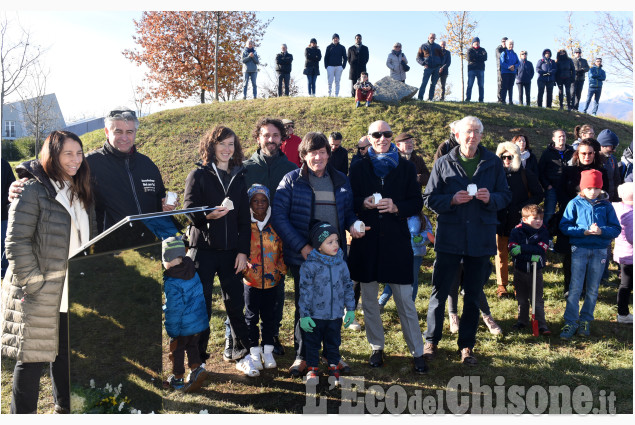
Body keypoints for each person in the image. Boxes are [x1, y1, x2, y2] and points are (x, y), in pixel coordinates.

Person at [2, 130, 96, 413]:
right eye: (68, 153)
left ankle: (63, 410)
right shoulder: (31, 190)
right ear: (52, 155)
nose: (75, 159)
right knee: (31, 360)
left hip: (70, 289)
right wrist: (34, 284)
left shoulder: (81, 189)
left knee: (65, 356)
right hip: (39, 290)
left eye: (79, 153)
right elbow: (15, 243)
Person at [422, 116, 512, 365]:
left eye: (476, 132)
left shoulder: (493, 163)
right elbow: (429, 198)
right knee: (439, 293)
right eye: (467, 132)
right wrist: (451, 200)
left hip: (480, 237)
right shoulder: (443, 162)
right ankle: (431, 341)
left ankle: (467, 346)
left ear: (481, 136)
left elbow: (505, 196)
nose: (472, 136)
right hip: (450, 236)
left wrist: (489, 198)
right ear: (457, 135)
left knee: (472, 294)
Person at [272, 132, 362, 378]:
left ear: (328, 154)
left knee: (333, 306)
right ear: (303, 155)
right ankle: (302, 355)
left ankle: (331, 354)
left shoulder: (341, 179)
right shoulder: (291, 180)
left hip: (334, 258)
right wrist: (302, 246)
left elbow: (349, 212)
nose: (319, 157)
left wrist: (353, 224)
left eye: (323, 152)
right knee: (307, 306)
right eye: (313, 152)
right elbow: (279, 216)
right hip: (306, 257)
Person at [347, 120, 427, 374]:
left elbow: (416, 202)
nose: (382, 138)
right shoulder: (359, 168)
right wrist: (364, 203)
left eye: (387, 134)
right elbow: (349, 201)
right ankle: (376, 347)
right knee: (369, 300)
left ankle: (417, 351)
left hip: (396, 242)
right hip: (367, 242)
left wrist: (396, 207)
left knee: (405, 300)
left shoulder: (405, 167)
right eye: (376, 135)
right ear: (369, 139)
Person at [183, 126, 258, 377]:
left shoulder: (240, 175)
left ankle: (241, 353)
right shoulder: (198, 174)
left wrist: (242, 252)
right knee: (200, 306)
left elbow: (243, 220)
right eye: (222, 144)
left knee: (235, 305)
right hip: (202, 250)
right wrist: (207, 216)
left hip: (230, 253)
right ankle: (198, 360)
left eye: (231, 144)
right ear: (211, 146)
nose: (227, 149)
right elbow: (188, 210)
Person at [242, 118, 297, 358]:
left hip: (279, 238)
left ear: (282, 138)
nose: (271, 140)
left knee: (276, 287)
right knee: (247, 290)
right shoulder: (245, 167)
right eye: (266, 135)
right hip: (250, 239)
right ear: (258, 137)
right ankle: (241, 336)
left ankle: (272, 336)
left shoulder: (292, 168)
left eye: (276, 135)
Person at [559, 169, 621, 339]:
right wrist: (582, 232)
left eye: (596, 188)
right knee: (575, 287)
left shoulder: (607, 205)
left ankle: (586, 320)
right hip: (579, 248)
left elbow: (616, 228)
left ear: (601, 188)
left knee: (593, 288)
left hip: (600, 250)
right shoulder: (574, 203)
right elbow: (564, 226)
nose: (592, 191)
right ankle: (570, 321)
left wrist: (602, 231)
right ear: (582, 188)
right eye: (589, 188)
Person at [299, 221, 355, 386]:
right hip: (315, 315)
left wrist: (350, 309)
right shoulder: (310, 266)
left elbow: (347, 286)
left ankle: (333, 368)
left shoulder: (341, 264)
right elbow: (305, 292)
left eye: (337, 240)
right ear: (319, 246)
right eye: (329, 242)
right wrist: (304, 315)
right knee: (312, 343)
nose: (335, 245)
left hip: (335, 314)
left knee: (333, 342)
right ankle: (312, 369)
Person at [558, 139, 610, 298]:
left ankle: (587, 289)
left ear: (595, 154)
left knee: (592, 254)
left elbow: (606, 194)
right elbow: (560, 193)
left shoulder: (602, 172)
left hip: (594, 218)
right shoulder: (568, 171)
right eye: (583, 153)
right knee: (570, 254)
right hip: (572, 217)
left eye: (590, 153)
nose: (586, 156)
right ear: (577, 154)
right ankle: (569, 288)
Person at [242, 184, 286, 370]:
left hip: (271, 280)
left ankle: (268, 350)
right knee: (251, 316)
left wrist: (280, 270)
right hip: (251, 280)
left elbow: (283, 248)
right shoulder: (244, 225)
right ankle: (254, 351)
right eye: (255, 201)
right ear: (250, 203)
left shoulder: (275, 223)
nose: (260, 204)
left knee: (269, 316)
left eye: (263, 201)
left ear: (269, 202)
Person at [495, 142, 544, 298]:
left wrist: (523, 208)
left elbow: (538, 194)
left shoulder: (525, 173)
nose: (506, 160)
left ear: (515, 157)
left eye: (510, 157)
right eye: (503, 157)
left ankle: (519, 285)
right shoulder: (495, 175)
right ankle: (501, 286)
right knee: (500, 254)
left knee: (519, 254)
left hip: (519, 223)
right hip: (500, 220)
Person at [162, 237, 209, 392]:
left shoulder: (172, 280)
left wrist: (172, 330)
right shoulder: (192, 271)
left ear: (167, 259)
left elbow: (174, 308)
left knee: (177, 350)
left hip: (182, 326)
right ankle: (196, 370)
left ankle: (178, 379)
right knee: (193, 346)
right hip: (197, 323)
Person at [508, 205, 552, 335]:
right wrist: (528, 254)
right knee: (521, 298)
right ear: (525, 219)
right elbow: (513, 250)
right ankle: (522, 321)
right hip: (520, 270)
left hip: (536, 270)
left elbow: (541, 250)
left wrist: (522, 248)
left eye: (540, 218)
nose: (539, 221)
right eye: (535, 218)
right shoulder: (517, 231)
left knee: (537, 299)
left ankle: (541, 324)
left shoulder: (543, 231)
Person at [378, 210, 434, 310]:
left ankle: (409, 305)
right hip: (397, 253)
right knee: (393, 278)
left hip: (415, 255)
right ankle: (381, 302)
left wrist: (421, 238)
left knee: (412, 280)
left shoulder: (420, 217)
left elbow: (429, 231)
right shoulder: (395, 214)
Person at [537, 129, 574, 226]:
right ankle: (546, 237)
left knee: (566, 212)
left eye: (564, 136)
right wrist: (547, 185)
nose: (562, 138)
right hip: (552, 187)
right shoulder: (547, 153)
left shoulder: (571, 152)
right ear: (554, 139)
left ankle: (563, 237)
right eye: (559, 136)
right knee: (549, 212)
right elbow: (540, 171)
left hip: (567, 188)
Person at [613, 182, 633, 324]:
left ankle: (623, 312)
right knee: (626, 285)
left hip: (622, 252)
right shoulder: (631, 215)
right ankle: (623, 313)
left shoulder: (617, 208)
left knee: (625, 284)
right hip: (631, 254)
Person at [416, 33, 445, 101]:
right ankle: (420, 98)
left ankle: (430, 98)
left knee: (433, 84)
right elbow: (418, 58)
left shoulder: (438, 47)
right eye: (431, 37)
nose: (432, 39)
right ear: (428, 38)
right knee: (424, 83)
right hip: (428, 67)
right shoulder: (423, 46)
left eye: (434, 38)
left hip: (436, 68)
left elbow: (442, 57)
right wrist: (423, 63)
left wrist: (440, 66)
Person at [598, 129, 621, 201]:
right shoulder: (591, 159)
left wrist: (616, 199)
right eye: (612, 147)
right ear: (602, 145)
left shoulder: (613, 159)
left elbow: (617, 180)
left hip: (611, 200)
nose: (614, 150)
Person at [1, 158, 15, 278]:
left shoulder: (3, 164)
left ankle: (3, 271)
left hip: (3, 215)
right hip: (4, 214)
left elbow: (11, 187)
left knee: (5, 244)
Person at [465, 37, 487, 102]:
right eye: (475, 42)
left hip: (480, 69)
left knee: (481, 85)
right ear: (473, 43)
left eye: (478, 42)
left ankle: (481, 99)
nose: (477, 43)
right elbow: (469, 58)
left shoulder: (483, 49)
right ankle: (468, 99)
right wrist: (480, 57)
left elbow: (485, 57)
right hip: (472, 69)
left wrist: (475, 57)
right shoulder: (470, 50)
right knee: (470, 85)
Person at [499, 39, 519, 105]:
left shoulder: (515, 54)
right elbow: (502, 63)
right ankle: (503, 100)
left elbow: (518, 62)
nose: (511, 45)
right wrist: (508, 67)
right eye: (510, 44)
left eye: (512, 44)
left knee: (511, 87)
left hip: (512, 73)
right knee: (504, 86)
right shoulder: (504, 53)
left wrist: (514, 66)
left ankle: (510, 101)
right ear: (507, 45)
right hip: (505, 72)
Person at [495, 37, 508, 103]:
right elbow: (500, 56)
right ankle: (499, 99)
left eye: (505, 41)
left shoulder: (509, 49)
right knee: (500, 83)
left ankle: (504, 99)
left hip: (507, 69)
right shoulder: (498, 49)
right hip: (500, 69)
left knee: (506, 84)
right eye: (503, 41)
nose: (504, 43)